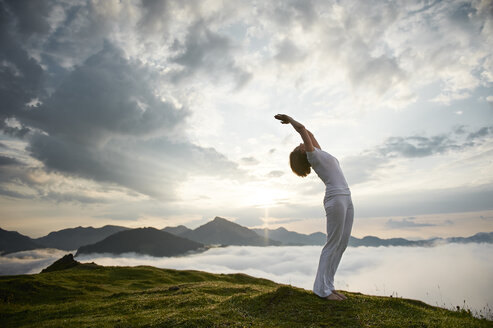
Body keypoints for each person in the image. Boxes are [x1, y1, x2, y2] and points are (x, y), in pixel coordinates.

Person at [274, 114, 354, 301]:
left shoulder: (319, 152)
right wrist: (290, 120)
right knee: (332, 243)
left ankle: (329, 285)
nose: (301, 143)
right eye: (298, 146)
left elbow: (308, 132)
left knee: (342, 244)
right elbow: (302, 130)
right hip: (335, 198)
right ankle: (321, 290)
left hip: (347, 196)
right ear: (302, 153)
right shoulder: (312, 156)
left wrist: (301, 128)